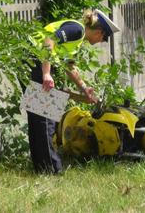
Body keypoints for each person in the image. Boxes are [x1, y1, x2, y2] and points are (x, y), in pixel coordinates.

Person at [26, 9, 120, 174]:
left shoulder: (78, 39)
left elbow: (69, 67)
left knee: (40, 119)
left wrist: (84, 88)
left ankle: (44, 169)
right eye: (103, 38)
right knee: (44, 119)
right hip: (35, 60)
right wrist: (46, 73)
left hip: (35, 61)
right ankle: (51, 170)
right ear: (99, 32)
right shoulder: (77, 29)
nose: (101, 42)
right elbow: (49, 40)